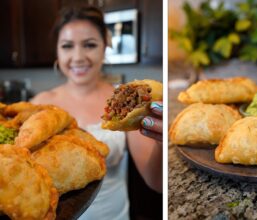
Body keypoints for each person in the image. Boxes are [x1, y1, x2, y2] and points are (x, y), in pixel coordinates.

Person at [30, 6, 162, 220]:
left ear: (104, 48)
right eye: (67, 46)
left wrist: (160, 141)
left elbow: (156, 182)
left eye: (89, 45)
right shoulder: (39, 106)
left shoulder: (128, 104)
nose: (78, 56)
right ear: (57, 51)